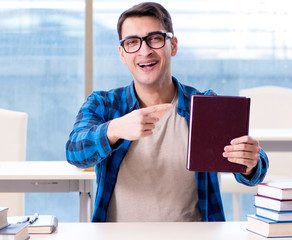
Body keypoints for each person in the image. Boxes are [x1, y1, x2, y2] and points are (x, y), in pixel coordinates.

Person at [66, 2, 268, 222]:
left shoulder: (203, 106)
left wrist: (251, 162)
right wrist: (114, 129)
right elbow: (75, 153)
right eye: (132, 42)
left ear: (173, 45)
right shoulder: (104, 104)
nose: (145, 51)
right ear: (122, 54)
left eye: (155, 38)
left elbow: (255, 171)